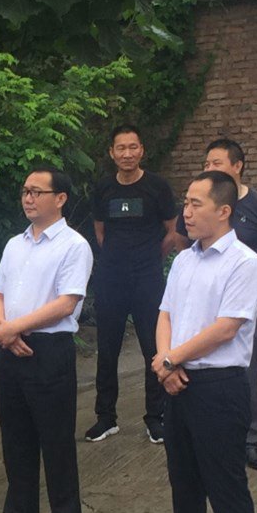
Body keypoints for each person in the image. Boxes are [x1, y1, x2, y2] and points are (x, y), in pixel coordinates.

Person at [133, 171, 257, 513]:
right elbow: (165, 313)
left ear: (224, 211)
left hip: (219, 386)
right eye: (185, 203)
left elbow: (226, 328)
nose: (185, 212)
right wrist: (165, 362)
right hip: (178, 382)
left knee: (226, 487)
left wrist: (171, 359)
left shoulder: (244, 263)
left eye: (195, 204)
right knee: (184, 483)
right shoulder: (185, 260)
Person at [0, 165, 94, 513]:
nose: (28, 198)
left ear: (60, 198)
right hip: (10, 348)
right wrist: (4, 328)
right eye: (25, 191)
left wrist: (15, 327)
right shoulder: (15, 245)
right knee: (16, 443)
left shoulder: (74, 246)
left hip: (48, 351)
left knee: (56, 444)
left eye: (37, 191)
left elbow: (66, 303)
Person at [190, 138, 257, 470]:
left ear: (238, 165)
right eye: (207, 163)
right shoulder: (200, 205)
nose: (210, 168)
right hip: (207, 301)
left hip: (248, 303)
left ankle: (251, 440)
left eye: (217, 163)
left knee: (248, 369)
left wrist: (252, 282)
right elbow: (187, 246)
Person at [85, 124, 179, 444]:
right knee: (107, 349)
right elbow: (100, 232)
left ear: (142, 150)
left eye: (133, 147)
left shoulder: (157, 187)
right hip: (111, 278)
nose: (127, 153)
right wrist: (117, 258)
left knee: (152, 347)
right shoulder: (103, 188)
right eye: (121, 148)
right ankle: (105, 417)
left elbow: (172, 231)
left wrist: (151, 257)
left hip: (147, 278)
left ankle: (155, 418)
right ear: (112, 153)